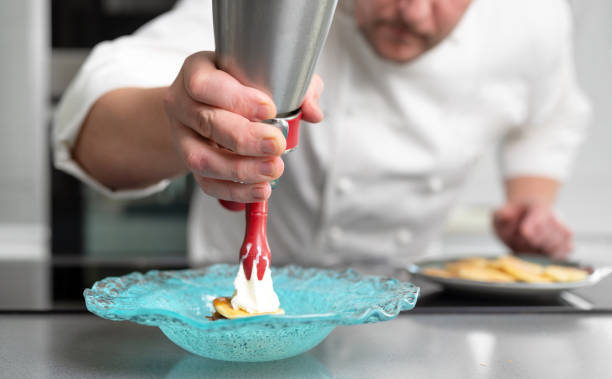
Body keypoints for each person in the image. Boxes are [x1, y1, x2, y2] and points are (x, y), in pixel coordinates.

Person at [53, 0, 590, 273]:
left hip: (403, 313)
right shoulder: (271, 10)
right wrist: (179, 122)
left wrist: (530, 205)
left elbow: (550, 118)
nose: (412, 12)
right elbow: (86, 125)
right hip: (230, 314)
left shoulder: (532, 17)